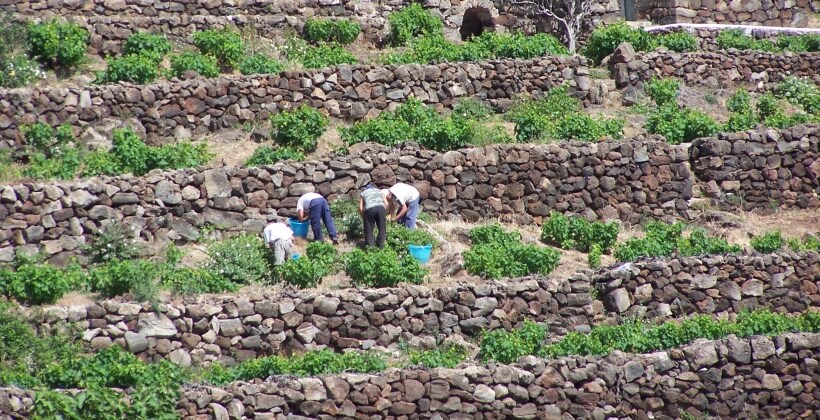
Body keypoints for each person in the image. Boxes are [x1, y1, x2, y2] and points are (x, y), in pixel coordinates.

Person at [359, 183, 388, 248]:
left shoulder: (363, 193)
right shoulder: (379, 191)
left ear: (367, 189)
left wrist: (363, 217)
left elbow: (360, 208)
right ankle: (381, 245)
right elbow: (386, 203)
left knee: (369, 229)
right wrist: (383, 211)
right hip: (381, 208)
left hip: (369, 209)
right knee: (382, 228)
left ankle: (371, 247)